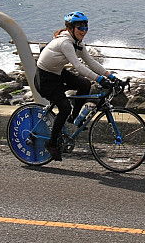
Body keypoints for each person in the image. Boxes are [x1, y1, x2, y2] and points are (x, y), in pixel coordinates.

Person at [35, 11, 117, 161]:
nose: (84, 31)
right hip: (45, 78)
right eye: (80, 28)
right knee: (64, 107)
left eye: (86, 27)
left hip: (58, 72)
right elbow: (78, 66)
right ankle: (52, 143)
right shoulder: (65, 43)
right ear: (70, 28)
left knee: (84, 84)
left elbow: (91, 62)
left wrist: (110, 76)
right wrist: (99, 80)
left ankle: (74, 118)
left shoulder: (77, 43)